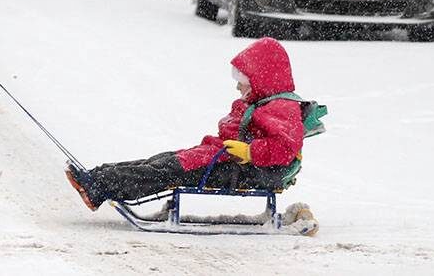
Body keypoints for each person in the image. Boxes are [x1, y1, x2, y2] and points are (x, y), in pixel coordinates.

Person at [65, 37, 304, 209]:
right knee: (162, 161)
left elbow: (285, 149)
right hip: (223, 159)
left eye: (243, 79)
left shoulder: (281, 107)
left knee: (166, 171)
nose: (238, 85)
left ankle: (99, 185)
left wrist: (250, 151)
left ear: (262, 77)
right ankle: (97, 178)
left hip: (243, 171)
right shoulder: (264, 102)